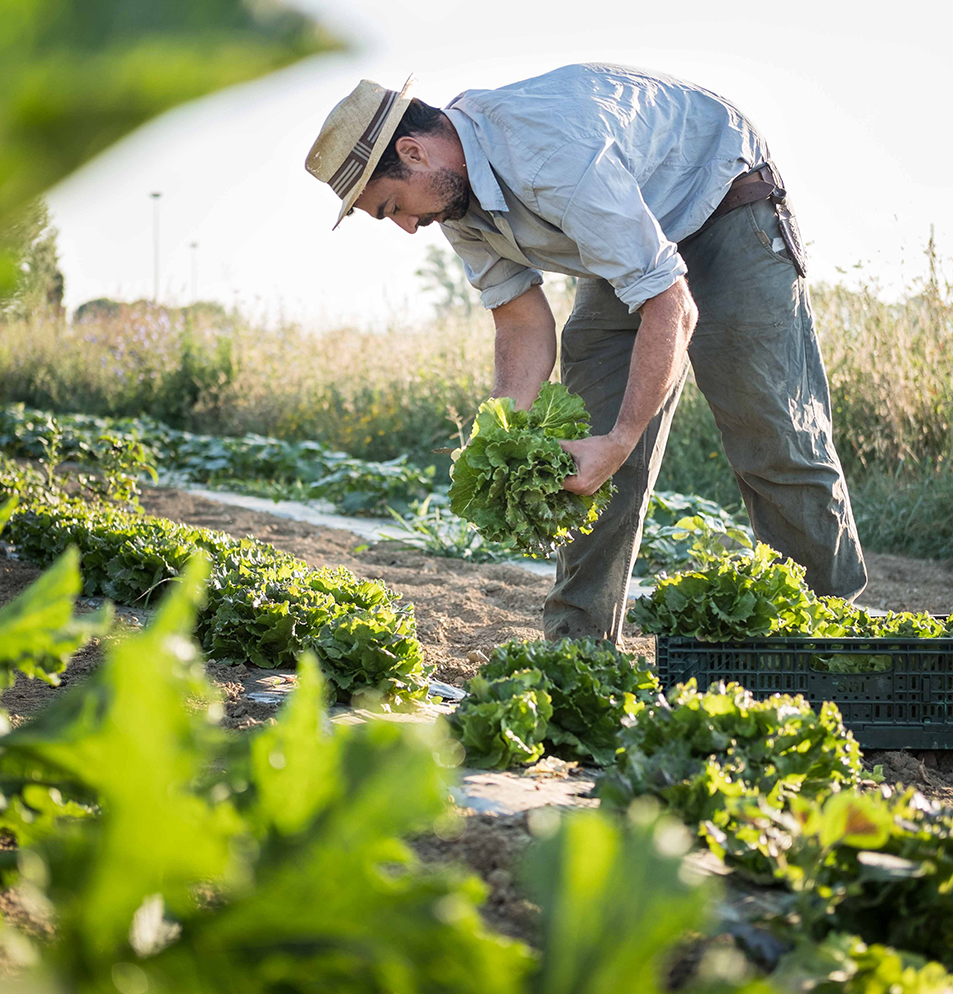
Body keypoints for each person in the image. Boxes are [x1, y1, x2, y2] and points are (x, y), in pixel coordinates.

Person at [305, 64, 867, 643]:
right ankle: (579, 651)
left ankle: (829, 641)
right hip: (626, 237)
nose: (406, 227)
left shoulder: (549, 155)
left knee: (771, 433)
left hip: (722, 201)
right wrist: (503, 433)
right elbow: (522, 323)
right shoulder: (452, 200)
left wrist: (623, 439)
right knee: (583, 456)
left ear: (414, 152)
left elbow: (670, 303)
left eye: (390, 205)